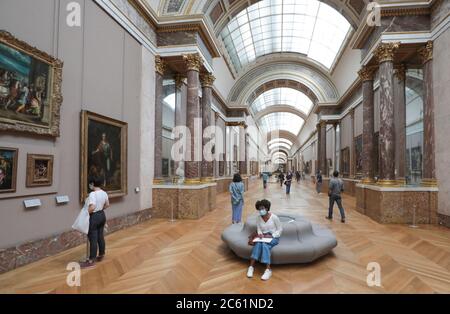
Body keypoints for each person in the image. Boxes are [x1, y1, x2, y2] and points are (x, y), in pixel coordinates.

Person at [247, 199, 282, 281]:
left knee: (264, 245)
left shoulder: (274, 217)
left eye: (262, 208)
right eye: (259, 209)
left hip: (273, 237)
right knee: (259, 244)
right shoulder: (258, 218)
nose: (261, 210)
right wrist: (260, 233)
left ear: (267, 208)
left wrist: (272, 235)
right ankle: (251, 267)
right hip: (263, 237)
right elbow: (259, 229)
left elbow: (280, 229)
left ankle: (268, 270)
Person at [80, 177, 110, 268]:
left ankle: (91, 260)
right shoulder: (104, 193)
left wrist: (86, 213)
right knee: (100, 236)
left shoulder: (93, 194)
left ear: (92, 184)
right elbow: (107, 204)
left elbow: (92, 207)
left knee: (93, 238)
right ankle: (101, 255)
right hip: (102, 215)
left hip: (94, 216)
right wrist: (101, 210)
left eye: (90, 184)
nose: (90, 185)